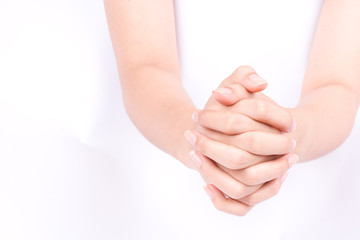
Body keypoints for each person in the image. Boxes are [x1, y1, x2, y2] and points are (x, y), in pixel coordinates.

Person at [104, 0, 360, 218]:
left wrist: (287, 137)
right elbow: (145, 67)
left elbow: (339, 85)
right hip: (155, 190)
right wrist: (198, 138)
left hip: (320, 200)